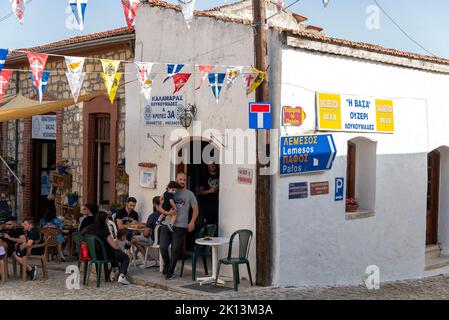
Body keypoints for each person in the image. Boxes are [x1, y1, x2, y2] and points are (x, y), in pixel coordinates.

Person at [159, 172, 198, 280]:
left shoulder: (190, 194)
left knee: (175, 248)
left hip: (181, 225)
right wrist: (168, 214)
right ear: (176, 179)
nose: (182, 181)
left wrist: (192, 221)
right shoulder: (170, 191)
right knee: (163, 247)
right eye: (180, 179)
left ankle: (170, 272)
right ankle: (167, 265)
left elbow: (195, 209)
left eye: (184, 180)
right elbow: (159, 207)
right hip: (166, 223)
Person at [85, 210, 130, 285]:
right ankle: (122, 276)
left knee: (115, 254)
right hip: (103, 254)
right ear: (102, 219)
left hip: (92, 254)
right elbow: (114, 245)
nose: (107, 220)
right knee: (125, 257)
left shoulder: (89, 228)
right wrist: (120, 248)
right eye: (106, 218)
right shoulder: (104, 229)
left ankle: (112, 273)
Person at [132, 196, 161, 268]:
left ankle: (148, 259)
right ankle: (139, 255)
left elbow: (146, 235)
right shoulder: (169, 214)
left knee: (133, 238)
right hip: (166, 240)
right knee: (138, 234)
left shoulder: (153, 216)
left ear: (154, 204)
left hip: (154, 240)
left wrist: (146, 227)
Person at [199, 162, 220, 227]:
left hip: (220, 204)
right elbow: (200, 192)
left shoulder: (221, 174)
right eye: (210, 164)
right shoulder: (204, 176)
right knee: (208, 226)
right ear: (207, 165)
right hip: (208, 206)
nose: (212, 165)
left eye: (214, 163)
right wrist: (209, 191)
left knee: (219, 225)